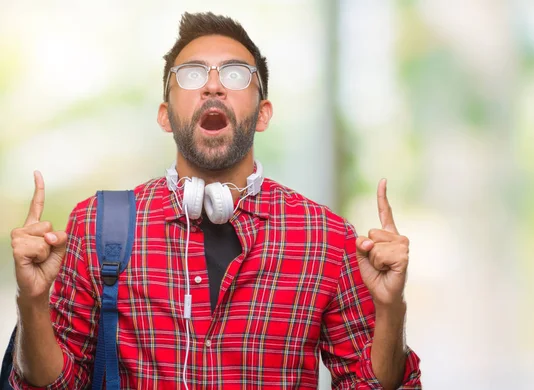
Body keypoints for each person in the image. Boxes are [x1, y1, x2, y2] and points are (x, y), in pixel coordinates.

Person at [9, 12, 421, 389]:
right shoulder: (96, 224)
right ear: (165, 115)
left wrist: (391, 309)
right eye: (189, 75)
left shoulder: (326, 237)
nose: (212, 84)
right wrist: (31, 301)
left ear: (262, 113)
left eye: (236, 74)